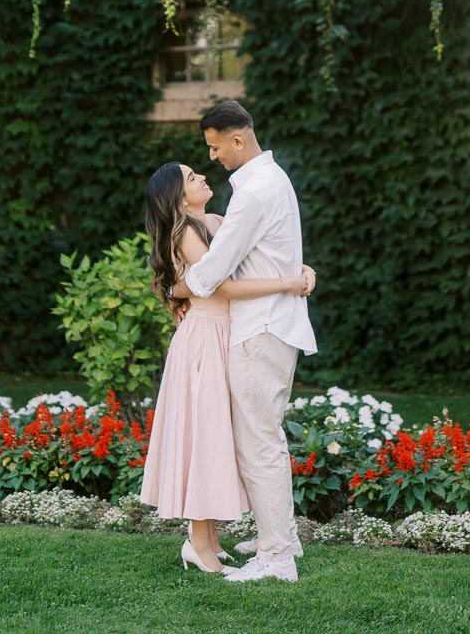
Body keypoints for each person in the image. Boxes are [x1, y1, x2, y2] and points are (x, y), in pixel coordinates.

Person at [140, 159, 312, 574]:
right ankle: (198, 543)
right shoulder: (185, 234)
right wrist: (288, 282)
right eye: (191, 177)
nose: (202, 176)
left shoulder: (216, 219)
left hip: (225, 333)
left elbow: (253, 259)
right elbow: (224, 284)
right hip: (205, 338)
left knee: (216, 434)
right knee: (204, 436)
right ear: (180, 196)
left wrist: (298, 266)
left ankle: (210, 541)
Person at [171, 100, 318, 584]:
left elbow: (210, 274)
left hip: (260, 328)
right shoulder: (271, 181)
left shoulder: (253, 192)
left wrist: (175, 287)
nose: (213, 157)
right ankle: (281, 537)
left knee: (259, 445)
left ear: (238, 140)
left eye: (215, 147)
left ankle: (277, 558)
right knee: (263, 439)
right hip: (269, 324)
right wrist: (292, 275)